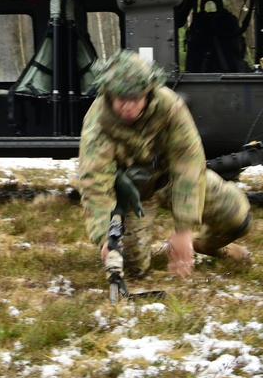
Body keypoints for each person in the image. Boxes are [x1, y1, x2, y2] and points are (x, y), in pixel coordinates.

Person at [77, 50, 252, 280]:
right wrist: (105, 235)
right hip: (133, 196)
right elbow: (95, 185)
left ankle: (205, 246)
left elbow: (188, 164)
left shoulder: (169, 107)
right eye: (122, 99)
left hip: (170, 181)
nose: (129, 107)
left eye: (135, 98)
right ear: (109, 95)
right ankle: (142, 251)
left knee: (237, 216)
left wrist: (184, 230)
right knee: (130, 266)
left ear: (149, 91)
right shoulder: (97, 125)